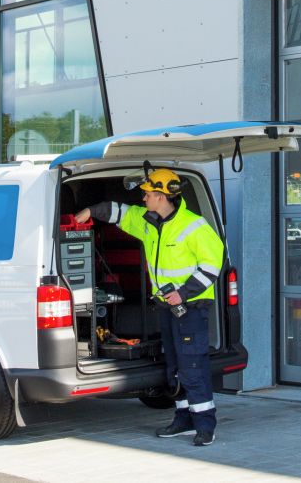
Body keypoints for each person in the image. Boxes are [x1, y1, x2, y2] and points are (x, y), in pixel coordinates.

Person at [75, 168, 224, 446]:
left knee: (192, 365)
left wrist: (183, 293)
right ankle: (183, 419)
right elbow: (118, 212)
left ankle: (205, 425)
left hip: (191, 307)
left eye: (147, 194)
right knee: (174, 366)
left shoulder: (194, 225)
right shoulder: (147, 221)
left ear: (161, 196)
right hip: (167, 308)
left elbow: (212, 264)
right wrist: (89, 211)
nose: (143, 198)